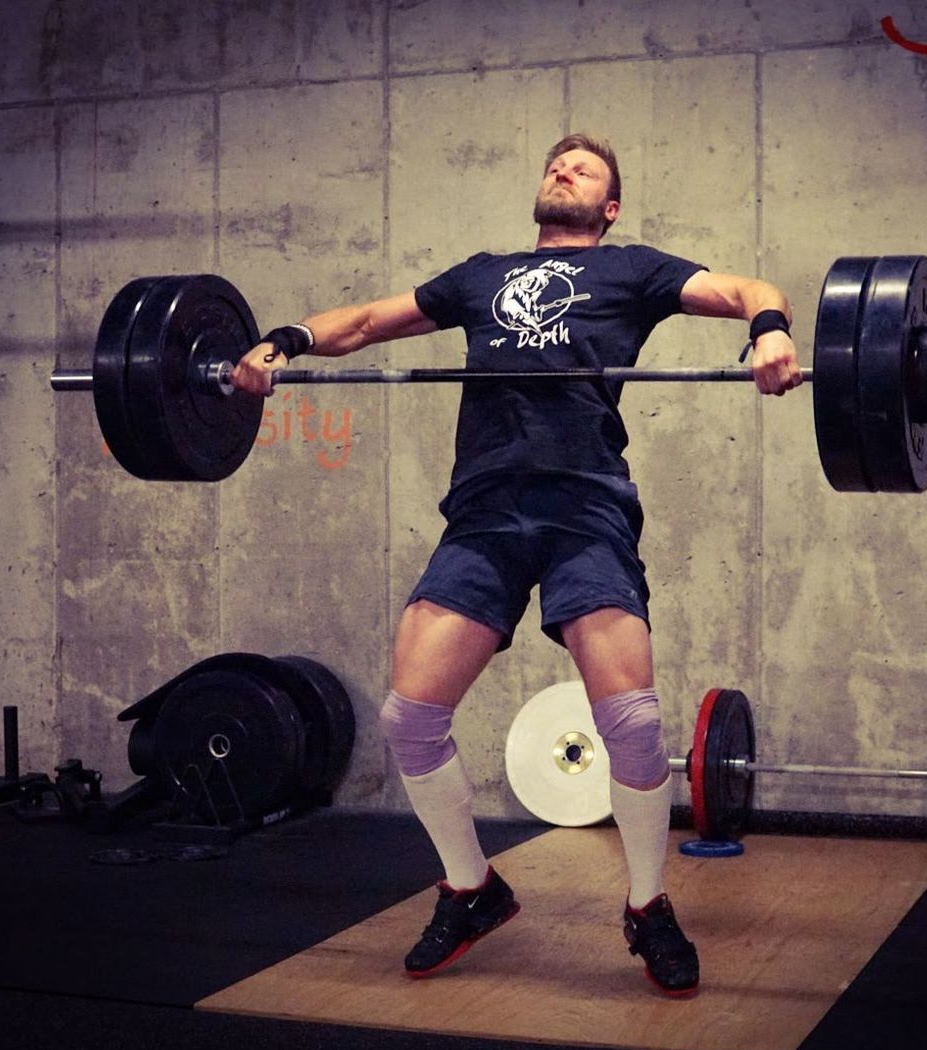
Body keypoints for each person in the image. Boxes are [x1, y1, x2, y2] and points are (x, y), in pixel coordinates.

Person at [232, 134, 800, 997]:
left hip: (585, 505)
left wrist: (769, 330)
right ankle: (472, 887)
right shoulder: (479, 275)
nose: (562, 170)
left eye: (585, 170)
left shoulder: (635, 272)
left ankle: (648, 906)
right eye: (555, 164)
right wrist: (283, 341)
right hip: (487, 509)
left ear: (610, 207)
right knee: (408, 718)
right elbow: (367, 323)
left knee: (636, 725)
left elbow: (746, 289)